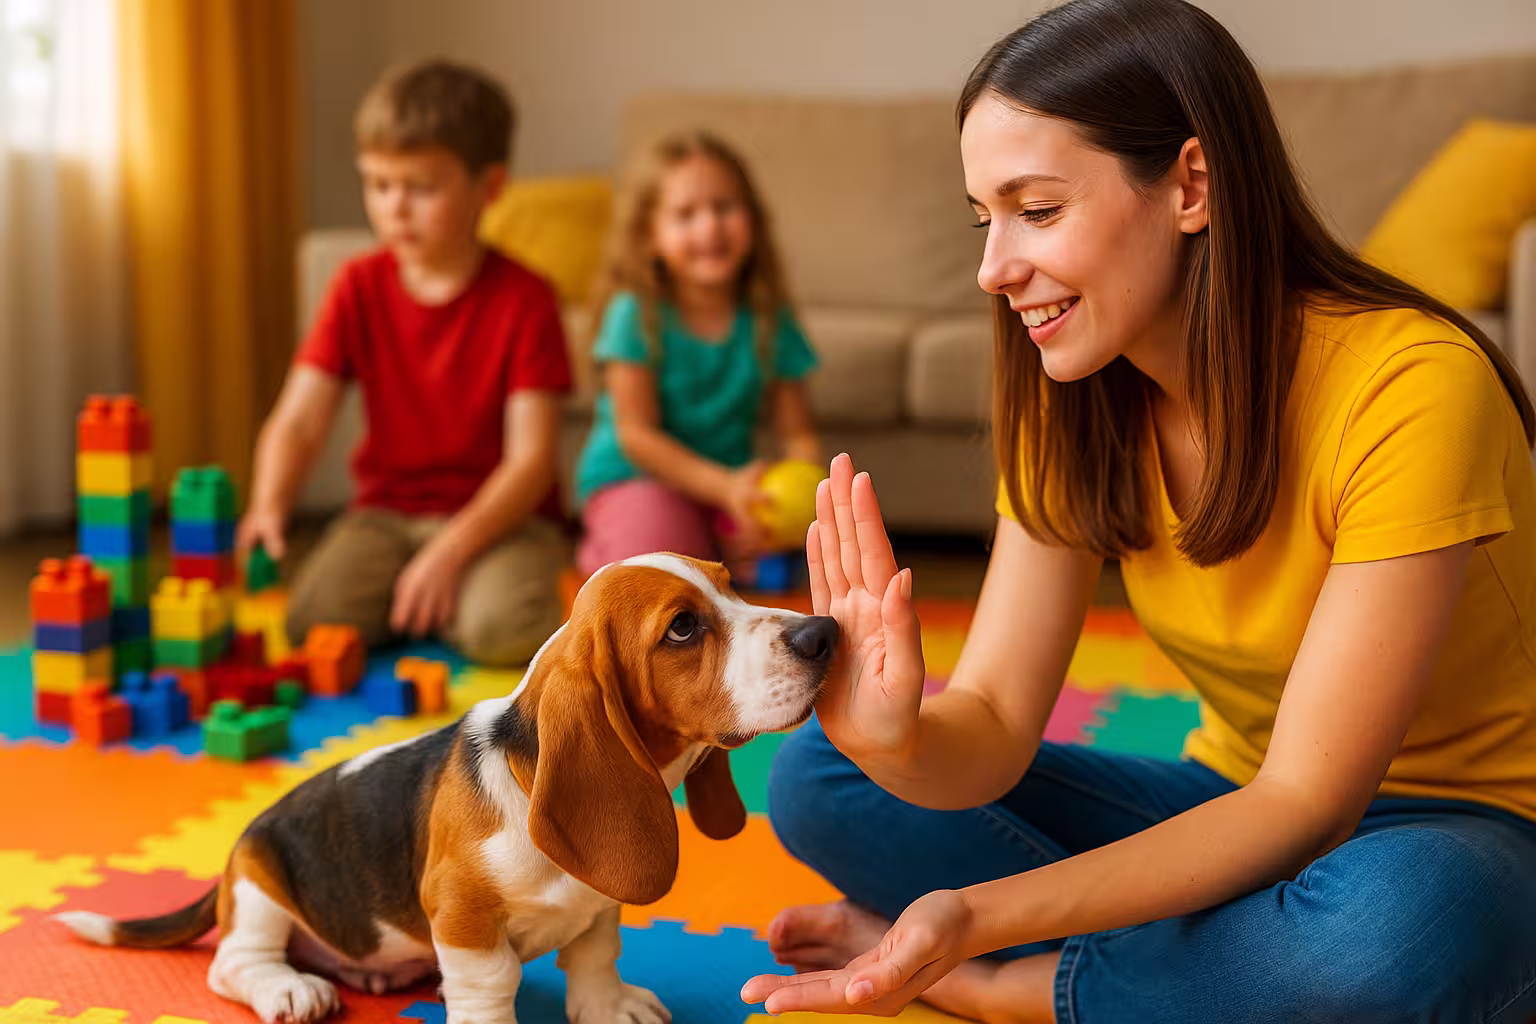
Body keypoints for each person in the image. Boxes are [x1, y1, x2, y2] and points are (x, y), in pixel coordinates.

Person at [743, 1, 1536, 1020]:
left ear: (1191, 186)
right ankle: (1217, 967)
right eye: (984, 219)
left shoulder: (1412, 384)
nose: (994, 271)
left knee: (1392, 930)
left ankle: (1020, 993)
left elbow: (1309, 802)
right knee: (822, 770)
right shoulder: (1072, 395)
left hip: (1475, 831)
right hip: (1233, 806)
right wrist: (893, 736)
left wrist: (977, 930)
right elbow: (988, 723)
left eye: (1036, 209)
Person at [237, 60, 572, 667]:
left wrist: (448, 552)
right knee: (311, 622)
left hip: (501, 521)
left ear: (489, 187)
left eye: (420, 188)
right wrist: (267, 505)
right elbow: (299, 420)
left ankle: (444, 596)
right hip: (387, 515)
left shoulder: (527, 299)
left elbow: (531, 462)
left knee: (504, 631)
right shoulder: (356, 286)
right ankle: (426, 601)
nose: (395, 208)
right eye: (379, 184)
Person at [573, 131, 820, 581]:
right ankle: (610, 545)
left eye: (724, 207)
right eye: (686, 214)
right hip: (635, 478)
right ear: (650, 236)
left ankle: (699, 539)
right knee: (667, 574)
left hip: (720, 490)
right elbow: (636, 436)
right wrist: (725, 488)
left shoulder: (769, 318)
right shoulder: (635, 312)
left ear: (753, 218)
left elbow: (799, 435)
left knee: (760, 572)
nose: (710, 227)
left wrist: (791, 508)